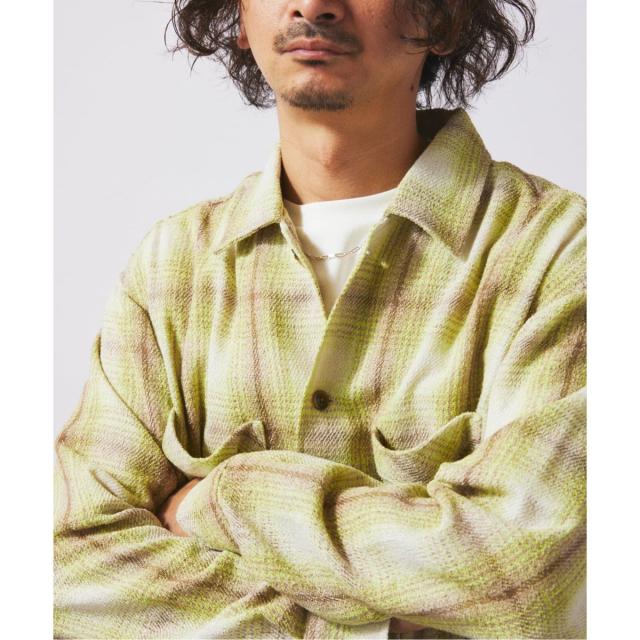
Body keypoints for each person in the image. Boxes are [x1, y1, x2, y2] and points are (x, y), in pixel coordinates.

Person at [54, 1, 586, 638]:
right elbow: (63, 559)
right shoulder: (173, 265)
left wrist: (226, 499)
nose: (313, 4)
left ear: (441, 16)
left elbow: (517, 577)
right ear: (238, 17)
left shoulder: (562, 253)